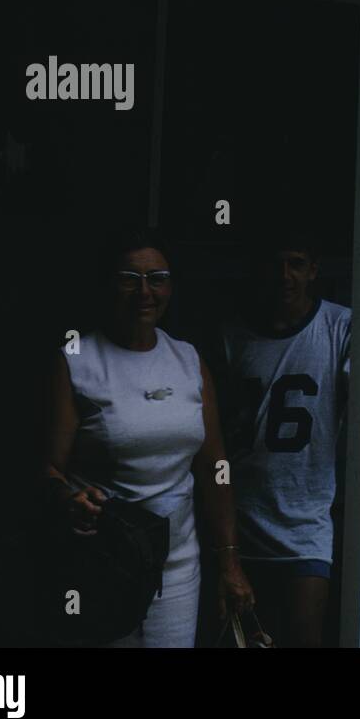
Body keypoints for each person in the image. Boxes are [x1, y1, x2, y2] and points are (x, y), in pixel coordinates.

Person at [42, 227, 254, 647]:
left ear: (171, 285)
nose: (145, 291)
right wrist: (68, 499)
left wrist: (229, 561)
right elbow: (46, 468)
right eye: (129, 278)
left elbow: (216, 469)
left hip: (177, 565)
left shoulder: (188, 359)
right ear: (108, 284)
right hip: (104, 562)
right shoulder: (76, 360)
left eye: (157, 278)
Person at [215, 223, 351, 648]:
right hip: (243, 519)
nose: (284, 276)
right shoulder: (232, 334)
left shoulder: (340, 325)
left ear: (314, 270)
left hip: (306, 521)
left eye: (296, 265)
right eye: (275, 265)